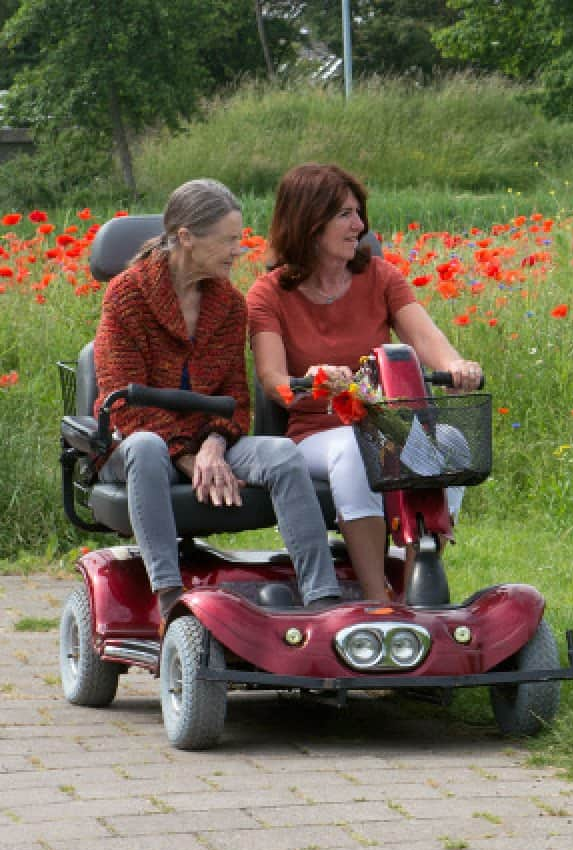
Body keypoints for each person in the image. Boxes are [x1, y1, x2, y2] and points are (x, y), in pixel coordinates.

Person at [92, 178, 344, 612]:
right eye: (229, 240)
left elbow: (234, 397)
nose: (239, 251)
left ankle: (322, 600)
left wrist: (212, 446)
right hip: (136, 445)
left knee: (283, 454)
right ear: (186, 237)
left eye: (240, 239)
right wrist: (188, 458)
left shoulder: (229, 304)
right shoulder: (126, 296)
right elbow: (124, 404)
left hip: (210, 444)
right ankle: (169, 596)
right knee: (148, 446)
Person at [249, 163, 484, 603]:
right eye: (345, 215)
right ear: (308, 222)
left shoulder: (380, 277)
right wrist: (312, 381)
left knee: (451, 441)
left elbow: (427, 339)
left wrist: (457, 366)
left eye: (358, 213)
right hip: (314, 434)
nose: (360, 226)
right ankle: (377, 602)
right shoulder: (269, 293)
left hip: (382, 423)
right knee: (357, 450)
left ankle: (416, 588)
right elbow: (272, 381)